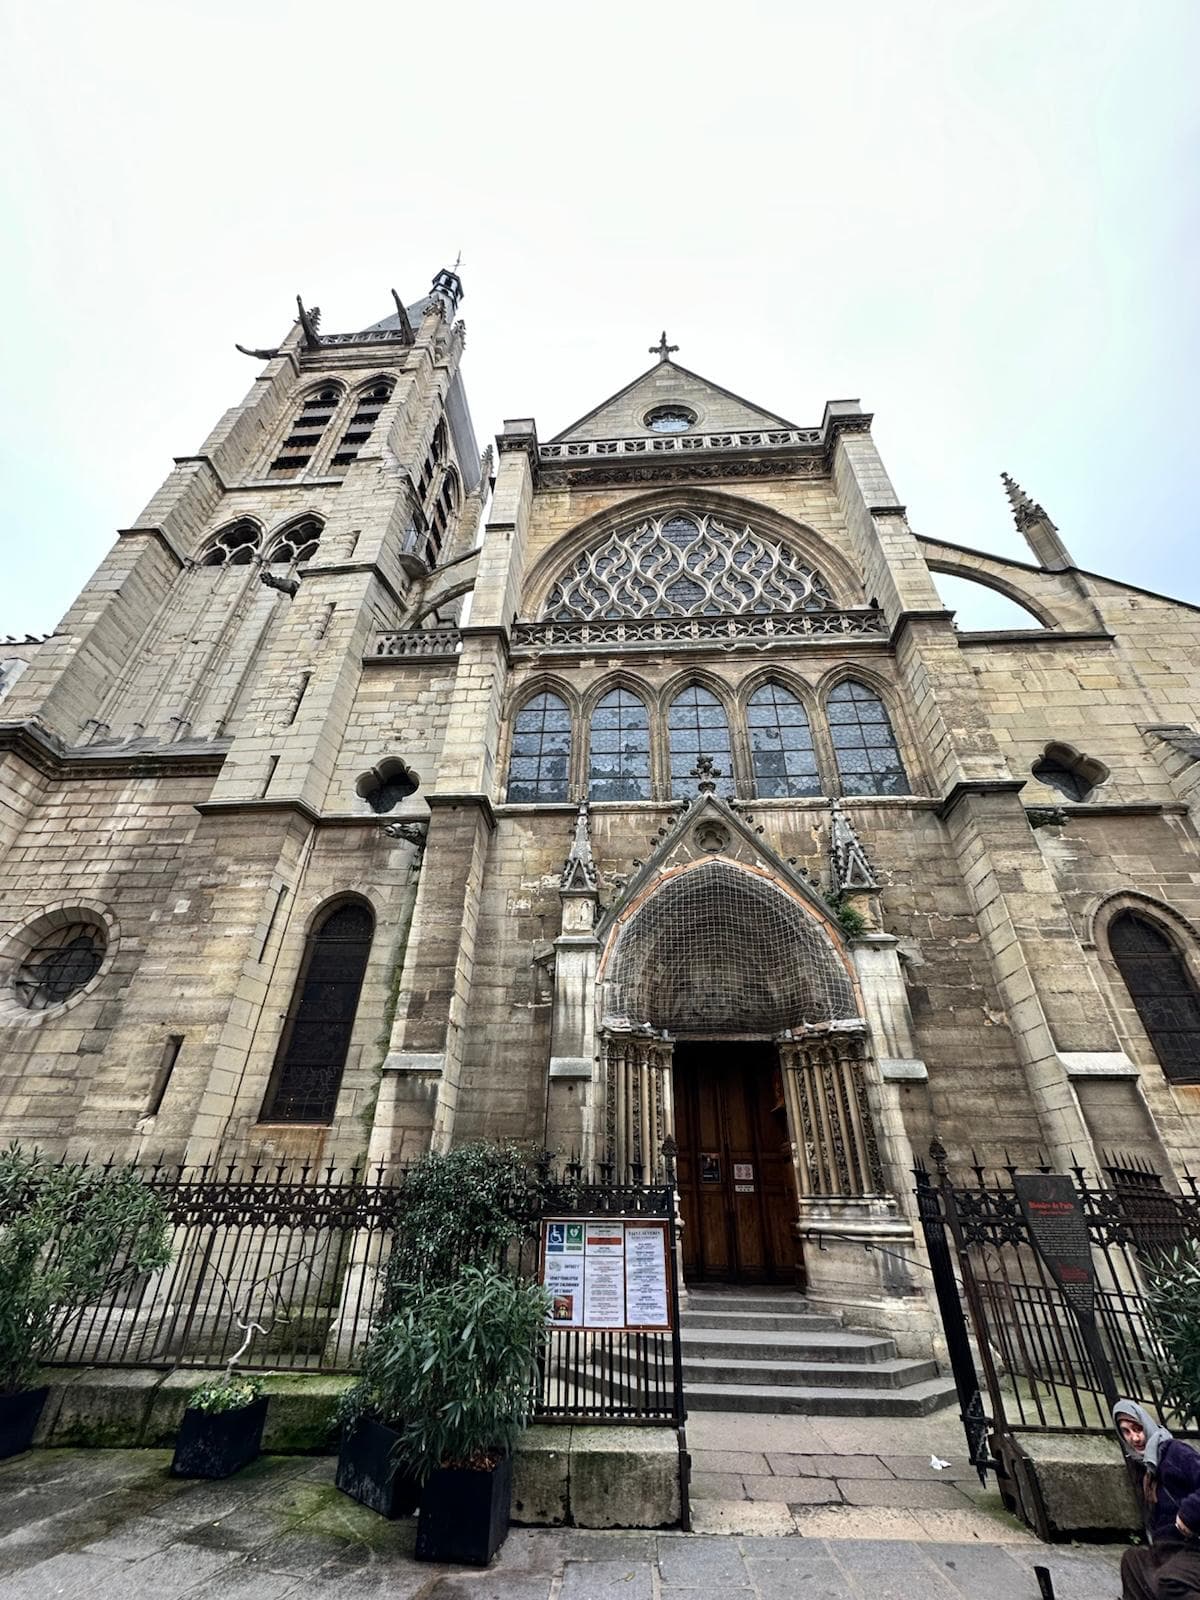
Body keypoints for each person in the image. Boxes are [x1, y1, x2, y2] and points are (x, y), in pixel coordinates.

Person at [1114, 1398, 1200, 1599]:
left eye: (1137, 1428)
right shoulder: (1146, 1469)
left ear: (1146, 1424)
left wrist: (1189, 1514)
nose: (1135, 1438)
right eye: (1126, 1432)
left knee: (1170, 1581)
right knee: (1132, 1561)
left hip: (1194, 1545)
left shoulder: (1174, 1451)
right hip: (1169, 1549)